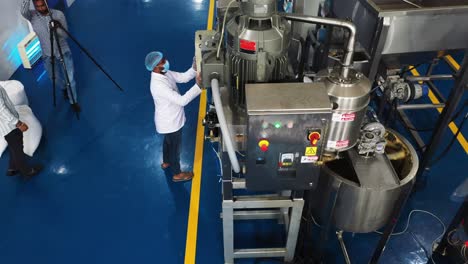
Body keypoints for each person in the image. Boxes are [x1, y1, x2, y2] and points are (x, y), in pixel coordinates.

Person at [145, 51, 202, 182]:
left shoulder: (164, 72)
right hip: (171, 123)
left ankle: (166, 162)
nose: (165, 62)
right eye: (162, 62)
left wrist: (194, 68)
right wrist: (198, 86)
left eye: (164, 59)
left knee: (168, 143)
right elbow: (182, 101)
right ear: (154, 67)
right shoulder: (158, 85)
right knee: (175, 149)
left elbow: (182, 77)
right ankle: (177, 173)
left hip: (167, 120)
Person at [21, 0, 80, 112]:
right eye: (37, 6)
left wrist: (58, 27)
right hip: (47, 54)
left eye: (42, 5)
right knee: (54, 78)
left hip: (63, 51)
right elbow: (23, 11)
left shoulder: (58, 14)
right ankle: (64, 88)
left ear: (46, 3)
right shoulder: (32, 16)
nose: (41, 8)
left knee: (70, 79)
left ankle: (73, 101)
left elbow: (65, 35)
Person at [0, 85, 42, 178]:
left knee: (13, 146)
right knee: (18, 149)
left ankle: (12, 167)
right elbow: (2, 110)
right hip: (9, 126)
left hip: (3, 126)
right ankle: (27, 172)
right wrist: (18, 123)